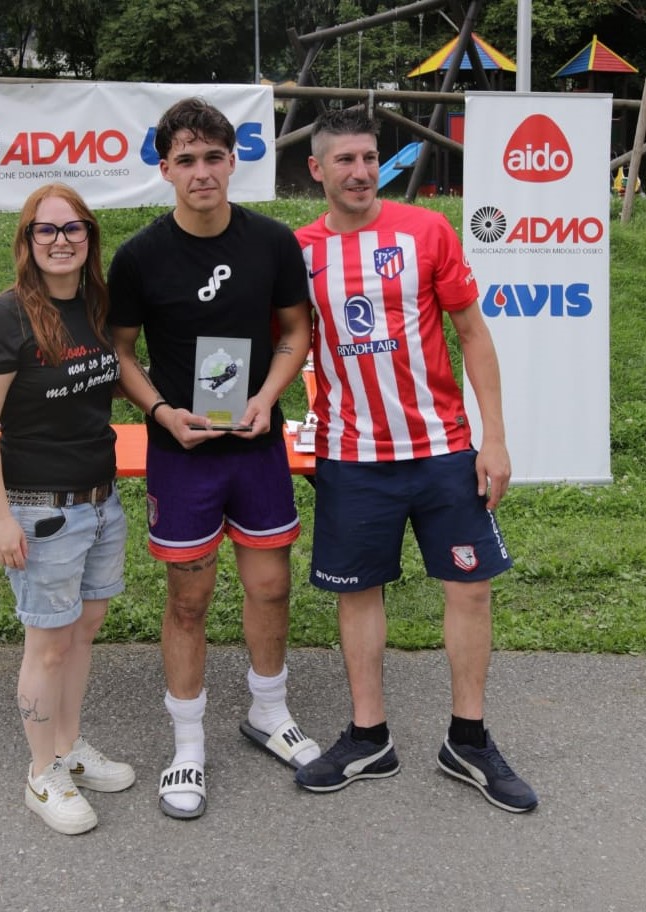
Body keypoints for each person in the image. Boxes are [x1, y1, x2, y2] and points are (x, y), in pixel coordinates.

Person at [292, 108, 538, 813]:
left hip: (441, 451)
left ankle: (468, 740)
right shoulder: (297, 250)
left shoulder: (426, 230)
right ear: (317, 169)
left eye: (369, 158)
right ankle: (369, 737)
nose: (360, 172)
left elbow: (473, 334)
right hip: (351, 455)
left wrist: (494, 438)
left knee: (470, 589)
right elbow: (286, 342)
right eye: (345, 160)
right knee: (357, 592)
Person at [107, 97, 320, 819]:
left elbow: (294, 332)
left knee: (270, 585)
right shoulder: (140, 256)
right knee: (188, 599)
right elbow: (120, 351)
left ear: (233, 162)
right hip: (183, 452)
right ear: (165, 169)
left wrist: (266, 395)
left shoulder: (273, 242)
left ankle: (269, 711)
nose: (201, 172)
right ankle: (188, 743)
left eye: (213, 157)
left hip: (256, 445)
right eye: (186, 160)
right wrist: (160, 411)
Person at [0, 183, 135, 835]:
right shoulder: (4, 317)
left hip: (100, 500)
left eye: (73, 228)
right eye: (47, 229)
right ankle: (42, 775)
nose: (61, 240)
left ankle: (68, 748)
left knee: (84, 628)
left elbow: (109, 379)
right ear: (28, 240)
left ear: (89, 237)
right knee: (48, 645)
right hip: (41, 511)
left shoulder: (95, 307)